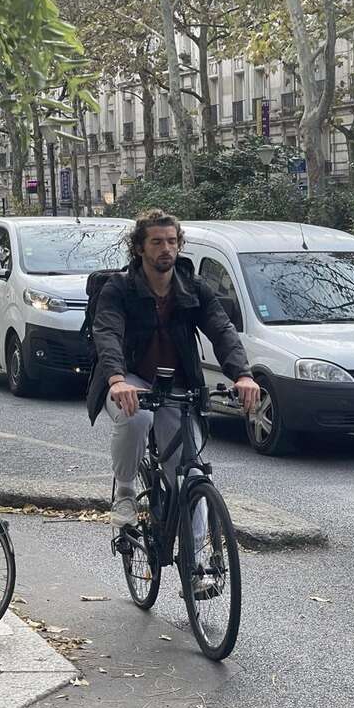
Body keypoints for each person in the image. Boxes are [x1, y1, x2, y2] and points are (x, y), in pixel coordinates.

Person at [86, 209, 260, 528]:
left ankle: (200, 573)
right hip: (129, 378)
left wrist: (243, 374)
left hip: (175, 384)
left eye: (171, 241)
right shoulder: (119, 288)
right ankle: (124, 492)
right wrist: (116, 380)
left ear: (179, 245)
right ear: (140, 248)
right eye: (156, 242)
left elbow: (222, 329)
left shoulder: (193, 288)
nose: (166, 249)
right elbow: (107, 333)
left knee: (192, 475)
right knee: (137, 417)